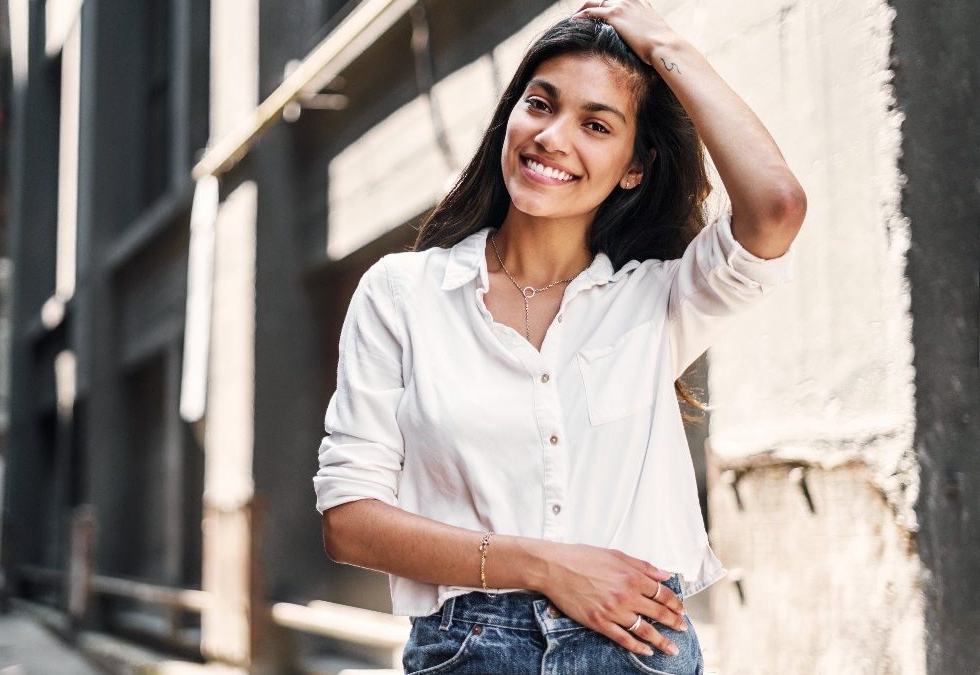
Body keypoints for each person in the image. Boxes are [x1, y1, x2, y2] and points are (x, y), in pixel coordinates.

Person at [314, 2, 805, 673]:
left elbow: (775, 206)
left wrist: (667, 47)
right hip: (467, 649)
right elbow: (349, 517)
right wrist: (546, 565)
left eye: (596, 123)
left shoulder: (656, 299)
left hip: (636, 651)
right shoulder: (403, 293)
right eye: (539, 104)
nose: (551, 135)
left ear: (634, 166)